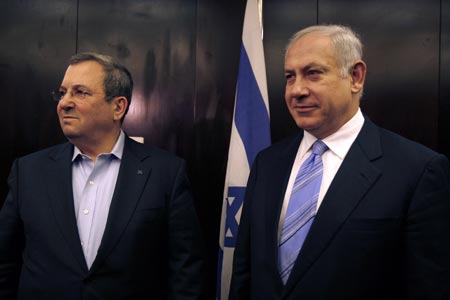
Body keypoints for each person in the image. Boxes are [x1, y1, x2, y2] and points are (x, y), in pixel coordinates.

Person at [229, 25, 450, 299]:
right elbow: (244, 274)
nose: (296, 90)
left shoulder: (417, 171)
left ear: (355, 77)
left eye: (313, 73)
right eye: (289, 76)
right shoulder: (267, 164)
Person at [0, 52, 204, 299]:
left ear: (118, 107)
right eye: (62, 93)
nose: (64, 103)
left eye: (80, 92)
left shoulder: (166, 173)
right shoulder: (28, 172)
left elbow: (186, 274)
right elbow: (5, 263)